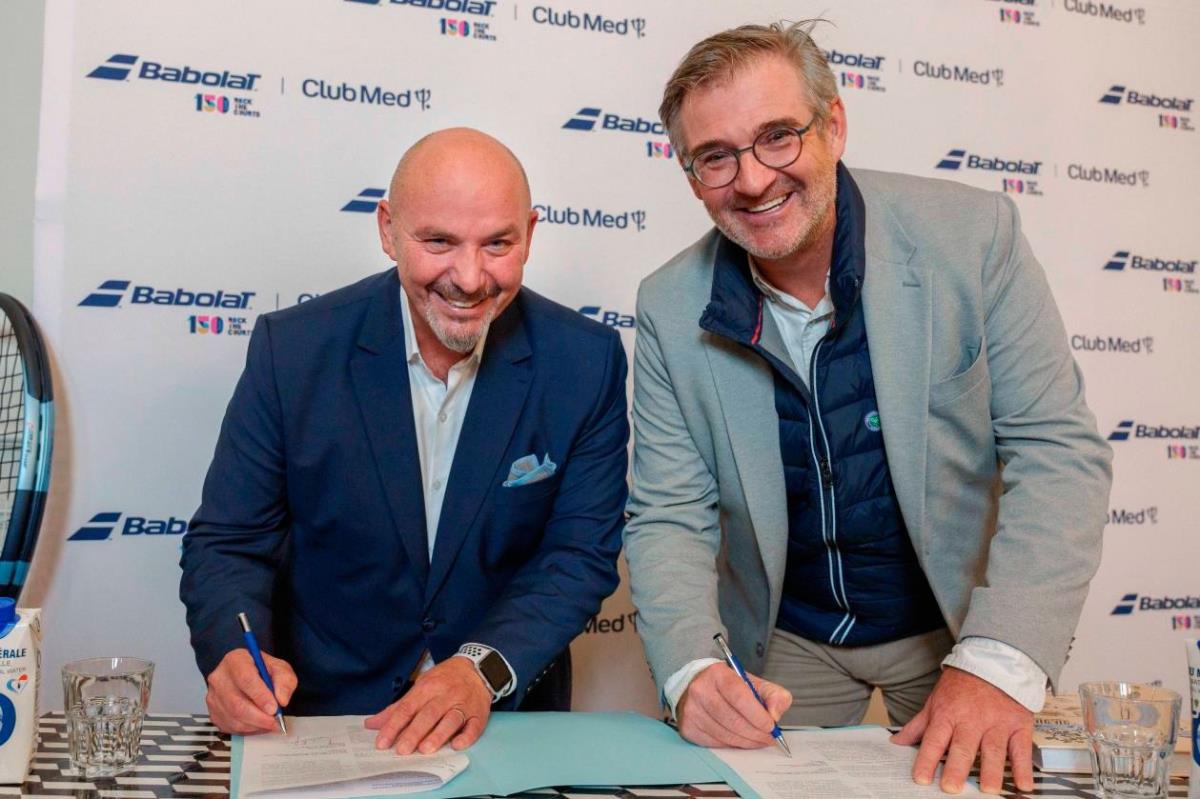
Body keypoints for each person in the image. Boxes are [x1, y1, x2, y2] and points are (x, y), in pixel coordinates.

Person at [623, 22, 1111, 795]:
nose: (752, 179)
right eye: (715, 156)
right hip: (787, 639)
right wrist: (691, 667)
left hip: (955, 624)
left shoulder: (973, 237)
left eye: (778, 136)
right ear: (690, 176)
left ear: (834, 125)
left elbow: (1059, 454)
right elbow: (667, 513)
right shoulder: (667, 304)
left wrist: (1000, 660)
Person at [180, 128, 629, 756]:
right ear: (388, 230)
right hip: (325, 720)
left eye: (498, 243)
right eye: (439, 242)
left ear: (529, 234)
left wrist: (479, 670)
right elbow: (229, 542)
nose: (469, 278)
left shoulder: (586, 361)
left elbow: (578, 556)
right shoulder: (294, 351)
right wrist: (233, 651)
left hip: (506, 721)